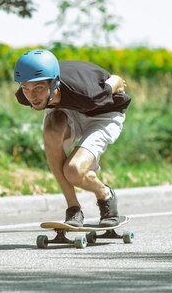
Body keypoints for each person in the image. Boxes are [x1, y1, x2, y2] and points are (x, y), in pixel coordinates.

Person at [13, 49, 131, 227]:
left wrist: (115, 80)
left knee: (73, 171)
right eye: (26, 88)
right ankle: (73, 209)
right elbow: (34, 94)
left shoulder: (89, 94)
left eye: (38, 88)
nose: (32, 96)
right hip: (70, 110)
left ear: (54, 83)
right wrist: (34, 90)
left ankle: (105, 194)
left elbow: (115, 81)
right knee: (51, 133)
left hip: (104, 114)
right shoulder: (25, 96)